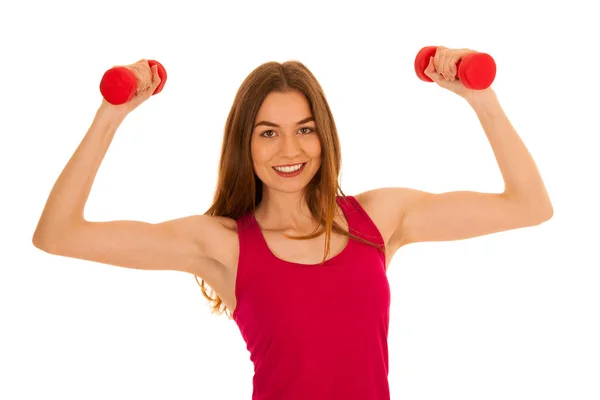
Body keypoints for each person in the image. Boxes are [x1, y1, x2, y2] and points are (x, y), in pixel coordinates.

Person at [32, 47, 553, 400]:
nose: (289, 150)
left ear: (323, 135)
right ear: (245, 143)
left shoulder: (377, 220)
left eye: (304, 129)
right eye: (268, 133)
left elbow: (529, 205)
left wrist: (479, 96)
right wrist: (112, 112)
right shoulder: (223, 245)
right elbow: (58, 234)